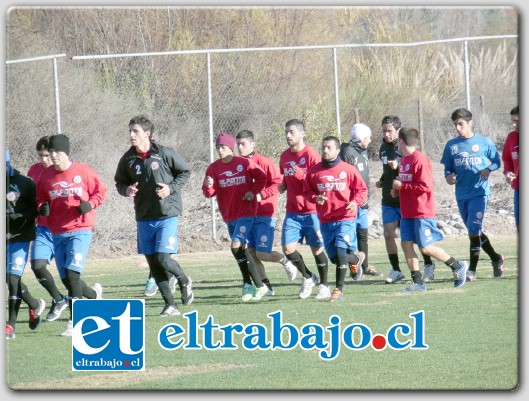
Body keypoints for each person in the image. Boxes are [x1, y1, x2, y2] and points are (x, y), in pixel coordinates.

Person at [115, 115, 194, 316]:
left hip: (166, 213)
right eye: (130, 131)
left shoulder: (165, 153)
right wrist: (126, 190)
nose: (132, 135)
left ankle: (184, 280)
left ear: (147, 134)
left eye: (136, 131)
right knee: (153, 263)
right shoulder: (128, 159)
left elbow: (184, 172)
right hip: (143, 216)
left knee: (163, 259)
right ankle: (170, 305)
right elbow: (119, 182)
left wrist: (170, 189)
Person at [36, 134, 107, 336]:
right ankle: (94, 295)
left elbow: (101, 191)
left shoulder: (83, 172)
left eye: (57, 152)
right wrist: (43, 207)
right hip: (57, 232)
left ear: (66, 153)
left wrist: (90, 204)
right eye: (51, 152)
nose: (53, 155)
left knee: (73, 275)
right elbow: (41, 197)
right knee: (68, 280)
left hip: (80, 229)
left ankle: (75, 323)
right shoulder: (46, 175)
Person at [391, 128, 469, 292]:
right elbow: (405, 183)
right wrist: (397, 190)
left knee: (425, 248)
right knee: (405, 245)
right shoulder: (404, 160)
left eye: (397, 140)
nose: (396, 143)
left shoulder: (420, 160)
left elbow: (425, 186)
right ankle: (418, 282)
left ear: (401, 141)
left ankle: (457, 265)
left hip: (421, 211)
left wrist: (403, 186)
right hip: (407, 212)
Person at [202, 132, 269, 302]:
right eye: (218, 147)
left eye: (223, 147)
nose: (220, 150)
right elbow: (208, 193)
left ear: (230, 147)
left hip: (246, 212)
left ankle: (255, 285)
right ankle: (252, 285)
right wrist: (209, 186)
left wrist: (252, 192)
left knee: (235, 245)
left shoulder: (244, 163)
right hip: (229, 214)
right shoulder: (213, 168)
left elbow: (262, 178)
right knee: (241, 249)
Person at [441, 108, 504, 281]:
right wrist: (448, 176)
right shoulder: (451, 145)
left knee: (474, 229)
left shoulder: (483, 142)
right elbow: (448, 166)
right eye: (455, 125)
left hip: (479, 192)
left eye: (461, 124)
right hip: (461, 193)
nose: (458, 128)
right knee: (473, 230)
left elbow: (497, 162)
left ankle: (472, 271)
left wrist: (488, 169)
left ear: (470, 123)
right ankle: (496, 258)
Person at [304, 136, 368, 302]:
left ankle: (338, 290)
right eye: (323, 147)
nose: (325, 150)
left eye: (329, 147)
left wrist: (355, 202)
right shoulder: (314, 171)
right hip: (325, 220)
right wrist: (315, 198)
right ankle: (356, 259)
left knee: (340, 253)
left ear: (338, 150)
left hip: (345, 218)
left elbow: (361, 190)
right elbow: (306, 192)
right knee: (334, 258)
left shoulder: (348, 169)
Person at [235, 130, 298, 295]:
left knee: (262, 253)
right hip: (246, 216)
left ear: (253, 144)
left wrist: (261, 195)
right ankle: (266, 286)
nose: (240, 147)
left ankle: (285, 261)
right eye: (238, 144)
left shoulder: (264, 162)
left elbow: (277, 183)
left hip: (264, 214)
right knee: (250, 253)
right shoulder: (237, 165)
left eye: (244, 144)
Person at [375, 115, 436, 284]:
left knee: (415, 238)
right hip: (389, 198)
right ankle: (396, 270)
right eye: (384, 131)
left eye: (390, 131)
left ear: (398, 131)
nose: (387, 134)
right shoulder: (383, 148)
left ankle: (429, 265)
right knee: (388, 234)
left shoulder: (405, 148)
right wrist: (382, 179)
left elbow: (412, 172)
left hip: (406, 199)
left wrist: (399, 167)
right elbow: (387, 170)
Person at [279, 119, 330, 299]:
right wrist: (283, 185)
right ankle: (308, 277)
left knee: (317, 249)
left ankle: (324, 285)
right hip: (293, 211)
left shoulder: (312, 155)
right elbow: (285, 178)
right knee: (287, 248)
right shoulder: (284, 156)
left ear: (302, 134)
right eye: (286, 132)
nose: (288, 135)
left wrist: (300, 174)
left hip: (312, 211)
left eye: (291, 132)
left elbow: (318, 181)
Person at [26, 136, 68, 322]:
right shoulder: (33, 171)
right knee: (37, 265)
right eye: (40, 155)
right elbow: (29, 198)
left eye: (47, 155)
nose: (44, 159)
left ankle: (93, 295)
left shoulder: (62, 171)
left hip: (62, 229)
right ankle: (58, 299)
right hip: (42, 228)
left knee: (69, 276)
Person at [6, 149, 46, 339]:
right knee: (9, 279)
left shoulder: (24, 183)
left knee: (13, 279)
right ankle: (34, 304)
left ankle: (10, 326)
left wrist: (20, 218)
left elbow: (37, 207)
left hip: (19, 237)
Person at [339, 123, 383, 279]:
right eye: (368, 137)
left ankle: (364, 266)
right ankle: (354, 267)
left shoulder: (362, 151)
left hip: (362, 200)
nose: (370, 140)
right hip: (352, 202)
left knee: (363, 233)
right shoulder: (348, 152)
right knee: (351, 236)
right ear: (361, 138)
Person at [502, 105, 519, 232]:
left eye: (517, 121)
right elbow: (507, 160)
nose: (514, 125)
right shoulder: (511, 137)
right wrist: (508, 173)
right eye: (512, 121)